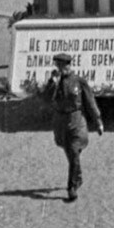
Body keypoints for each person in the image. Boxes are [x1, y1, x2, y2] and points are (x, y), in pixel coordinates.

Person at [42, 52, 103, 202]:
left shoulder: (79, 82)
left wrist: (98, 121)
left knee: (74, 151)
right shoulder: (54, 82)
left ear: (70, 65)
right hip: (60, 121)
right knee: (70, 153)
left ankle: (72, 188)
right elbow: (45, 100)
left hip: (76, 121)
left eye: (65, 65)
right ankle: (78, 176)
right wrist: (52, 83)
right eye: (59, 65)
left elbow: (90, 102)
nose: (63, 68)